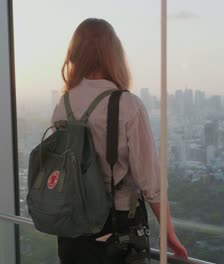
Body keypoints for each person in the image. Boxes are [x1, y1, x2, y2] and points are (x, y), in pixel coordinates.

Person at [51, 18, 188, 264]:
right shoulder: (127, 105)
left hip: (73, 229)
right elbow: (151, 182)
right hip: (118, 229)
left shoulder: (64, 104)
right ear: (114, 55)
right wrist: (169, 232)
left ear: (75, 54)